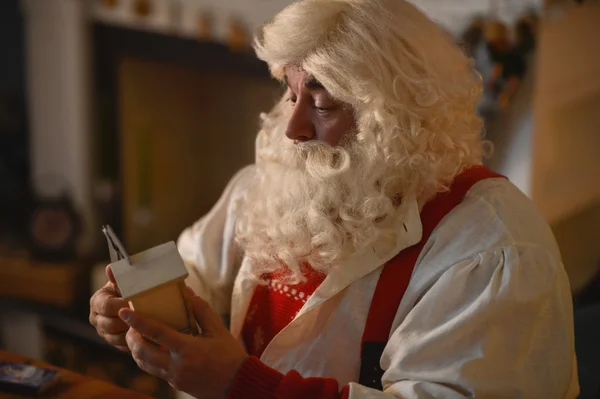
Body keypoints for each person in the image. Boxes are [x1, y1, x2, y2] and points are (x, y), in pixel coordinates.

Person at [89, 0, 579, 398]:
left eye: (322, 104)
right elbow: (195, 267)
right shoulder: (274, 181)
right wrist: (140, 308)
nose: (293, 128)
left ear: (398, 116)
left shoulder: (492, 250)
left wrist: (240, 383)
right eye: (290, 91)